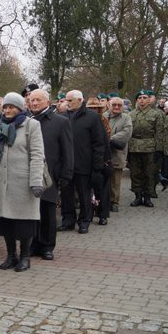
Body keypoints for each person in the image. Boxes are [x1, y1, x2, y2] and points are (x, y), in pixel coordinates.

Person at [0, 93, 45, 272]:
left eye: (11, 107)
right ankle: (11, 256)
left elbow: (37, 155)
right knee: (5, 222)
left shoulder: (31, 125)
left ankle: (25, 257)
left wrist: (36, 181)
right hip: (0, 182)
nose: (8, 110)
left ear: (20, 108)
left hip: (23, 183)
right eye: (5, 107)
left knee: (24, 222)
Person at [28, 89, 73, 260]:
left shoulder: (60, 122)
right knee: (32, 211)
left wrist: (66, 173)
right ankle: (33, 244)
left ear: (48, 102)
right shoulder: (27, 120)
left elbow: (68, 150)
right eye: (32, 100)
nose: (34, 103)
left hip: (51, 173)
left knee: (47, 211)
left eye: (38, 100)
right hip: (30, 173)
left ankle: (47, 246)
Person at [59, 90, 106, 234]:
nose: (67, 103)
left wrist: (97, 165)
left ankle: (84, 221)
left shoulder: (92, 117)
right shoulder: (62, 117)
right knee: (66, 195)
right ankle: (68, 220)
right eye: (66, 100)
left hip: (84, 163)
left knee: (84, 195)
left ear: (80, 100)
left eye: (70, 100)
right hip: (66, 164)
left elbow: (99, 142)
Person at [128, 89, 165, 207]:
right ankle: (138, 196)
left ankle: (148, 196)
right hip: (134, 146)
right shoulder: (131, 114)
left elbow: (160, 132)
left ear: (149, 100)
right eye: (140, 98)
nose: (142, 100)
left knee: (149, 173)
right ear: (136, 100)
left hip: (150, 146)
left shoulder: (157, 114)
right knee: (135, 173)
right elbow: (128, 132)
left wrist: (159, 149)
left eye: (144, 98)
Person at [85, 99, 113, 225]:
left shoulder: (103, 121)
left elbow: (106, 142)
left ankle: (103, 215)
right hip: (87, 159)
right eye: (90, 108)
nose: (93, 110)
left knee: (103, 189)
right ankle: (89, 213)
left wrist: (104, 160)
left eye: (95, 108)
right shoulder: (83, 121)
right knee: (88, 190)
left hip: (102, 159)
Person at [104, 97, 132, 212]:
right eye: (114, 105)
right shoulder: (103, 116)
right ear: (109, 105)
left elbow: (126, 133)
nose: (116, 107)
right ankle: (103, 201)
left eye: (119, 105)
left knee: (115, 180)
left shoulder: (126, 118)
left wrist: (108, 138)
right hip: (103, 153)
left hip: (117, 152)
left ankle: (114, 202)